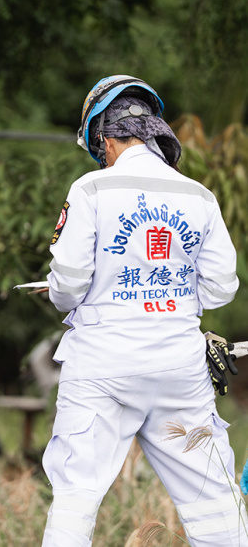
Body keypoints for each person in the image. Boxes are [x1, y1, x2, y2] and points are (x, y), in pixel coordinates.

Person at [42, 75, 248, 546]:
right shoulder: (199, 195)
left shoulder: (92, 188)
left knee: (77, 494)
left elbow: (68, 284)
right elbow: (220, 288)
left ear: (103, 137)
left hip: (102, 366)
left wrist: (77, 292)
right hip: (180, 366)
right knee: (212, 500)